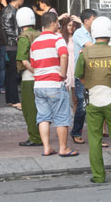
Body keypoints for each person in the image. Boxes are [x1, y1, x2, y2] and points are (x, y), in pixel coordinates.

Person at [75, 16, 111, 184]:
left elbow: (79, 76)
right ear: (110, 33)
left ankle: (98, 176)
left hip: (93, 101)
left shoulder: (84, 53)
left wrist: (92, 85)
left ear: (93, 33)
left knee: (94, 139)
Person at [30, 12, 78, 157]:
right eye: (57, 22)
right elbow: (64, 55)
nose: (58, 25)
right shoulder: (58, 39)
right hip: (55, 84)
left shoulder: (35, 42)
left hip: (38, 85)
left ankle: (47, 148)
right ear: (52, 23)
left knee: (43, 117)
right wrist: (62, 73)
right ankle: (63, 148)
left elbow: (33, 64)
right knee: (61, 117)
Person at [16, 7, 43, 147]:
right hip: (44, 76)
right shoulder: (40, 34)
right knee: (41, 109)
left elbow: (23, 61)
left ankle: (35, 137)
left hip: (29, 78)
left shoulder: (24, 38)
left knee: (29, 110)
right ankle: (41, 135)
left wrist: (35, 72)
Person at [71, 9, 96, 144]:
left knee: (95, 104)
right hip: (83, 76)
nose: (95, 21)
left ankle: (96, 134)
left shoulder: (95, 32)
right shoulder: (80, 33)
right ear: (86, 21)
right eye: (93, 19)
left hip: (95, 73)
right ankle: (76, 131)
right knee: (83, 104)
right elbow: (91, 47)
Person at [1, 0, 25, 110]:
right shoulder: (9, 10)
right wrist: (18, 38)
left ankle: (10, 99)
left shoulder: (13, 10)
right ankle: (15, 100)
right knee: (13, 73)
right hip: (12, 45)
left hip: (12, 45)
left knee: (11, 73)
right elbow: (7, 28)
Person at [59, 16, 81, 121]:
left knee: (75, 97)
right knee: (64, 95)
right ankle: (64, 117)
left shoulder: (78, 36)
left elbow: (88, 34)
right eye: (69, 25)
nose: (72, 28)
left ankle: (75, 116)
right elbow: (46, 30)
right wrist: (59, 18)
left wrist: (80, 21)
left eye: (74, 25)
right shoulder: (60, 37)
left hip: (75, 66)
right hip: (65, 66)